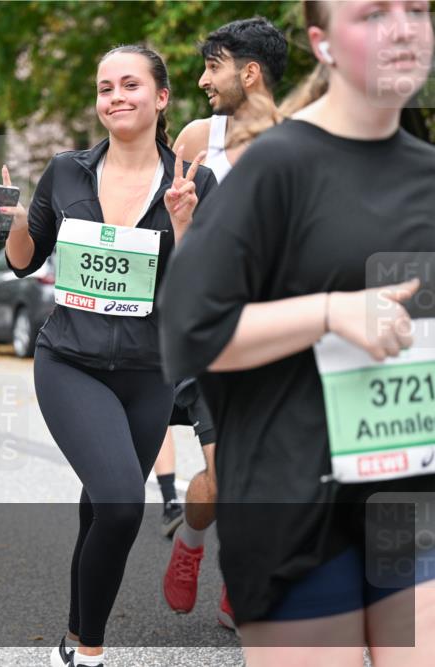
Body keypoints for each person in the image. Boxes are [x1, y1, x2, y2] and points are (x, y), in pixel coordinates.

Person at [160, 1, 434, 665]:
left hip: (406, 494)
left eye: (419, 11)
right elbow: (188, 330)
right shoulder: (278, 165)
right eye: (372, 14)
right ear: (322, 42)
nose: (402, 29)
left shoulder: (426, 173)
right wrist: (330, 312)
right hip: (295, 499)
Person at [0, 45, 214, 667]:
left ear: (161, 98)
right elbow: (25, 260)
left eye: (130, 85)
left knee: (99, 508)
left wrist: (184, 226)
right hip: (70, 361)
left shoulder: (193, 182)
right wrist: (13, 218)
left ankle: (75, 635)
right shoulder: (67, 172)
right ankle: (91, 652)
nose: (116, 97)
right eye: (105, 87)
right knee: (120, 503)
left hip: (149, 372)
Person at [161, 15, 288, 630]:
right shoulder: (193, 139)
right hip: (211, 333)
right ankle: (191, 542)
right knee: (224, 474)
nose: (203, 79)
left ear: (250, 71)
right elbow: (153, 227)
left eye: (213, 65)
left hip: (279, 334)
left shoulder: (299, 142)